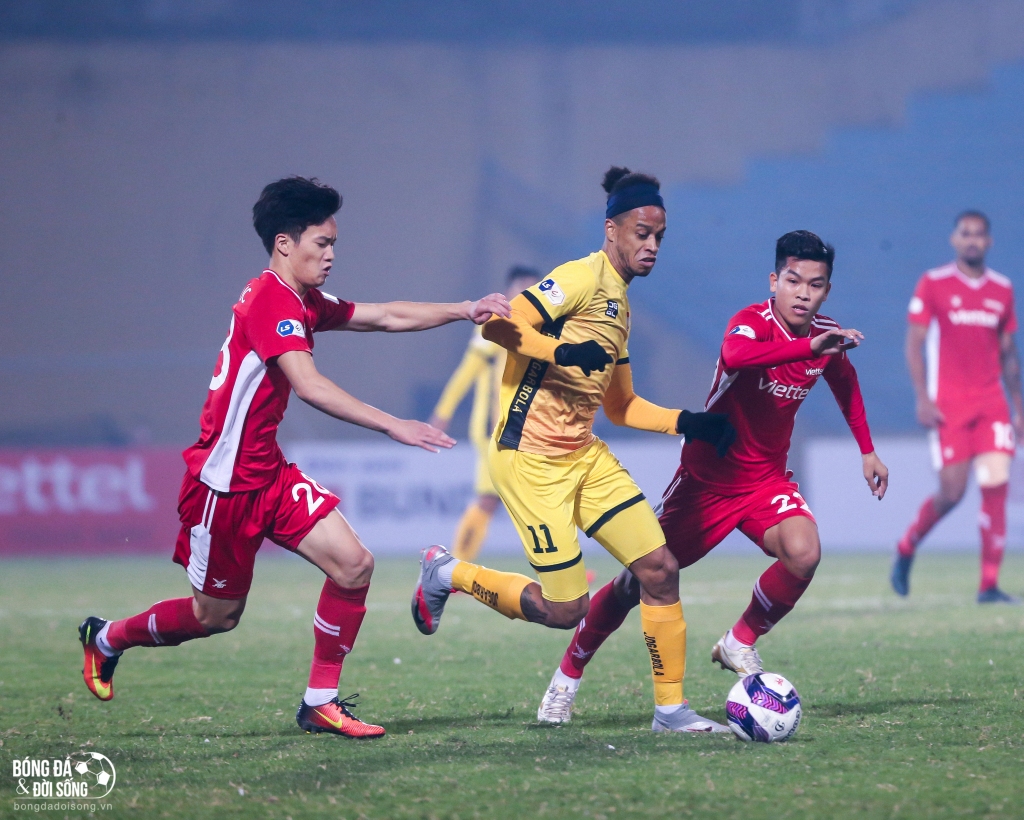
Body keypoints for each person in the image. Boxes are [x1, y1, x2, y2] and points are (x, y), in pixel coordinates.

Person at [78, 176, 510, 738]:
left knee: (354, 565)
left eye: (333, 244)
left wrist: (466, 308)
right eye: (321, 243)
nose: (331, 255)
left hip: (269, 475)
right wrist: (393, 424)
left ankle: (320, 702)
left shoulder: (300, 299)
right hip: (224, 487)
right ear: (285, 243)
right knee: (216, 617)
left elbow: (383, 315)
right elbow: (309, 385)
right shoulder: (271, 301)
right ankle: (107, 637)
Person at [409, 167, 736, 733]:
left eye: (660, 236)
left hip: (583, 456)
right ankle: (448, 571)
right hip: (529, 460)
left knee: (660, 569)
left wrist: (688, 422)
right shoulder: (579, 278)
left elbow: (621, 407)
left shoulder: (621, 308)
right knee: (567, 610)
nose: (652, 245)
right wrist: (562, 352)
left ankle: (671, 711)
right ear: (612, 229)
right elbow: (498, 326)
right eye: (641, 233)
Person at [537, 230, 889, 724]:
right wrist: (809, 348)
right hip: (705, 485)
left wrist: (867, 450)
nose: (803, 293)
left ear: (827, 291)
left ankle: (738, 641)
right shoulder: (751, 323)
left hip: (765, 482)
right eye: (793, 281)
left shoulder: (825, 336)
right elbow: (739, 357)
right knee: (635, 584)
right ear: (774, 282)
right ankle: (565, 680)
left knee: (805, 552)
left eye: (815, 285)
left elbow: (845, 382)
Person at [892, 211, 1023, 603]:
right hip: (949, 404)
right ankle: (908, 544)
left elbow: (1009, 353)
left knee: (996, 483)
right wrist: (922, 397)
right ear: (954, 239)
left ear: (989, 241)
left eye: (979, 234)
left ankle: (988, 584)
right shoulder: (934, 283)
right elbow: (914, 343)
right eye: (966, 233)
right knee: (952, 492)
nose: (972, 240)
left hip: (992, 403)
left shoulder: (1002, 289)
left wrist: (1018, 406)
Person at [428, 266, 540, 562]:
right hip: (496, 428)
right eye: (524, 286)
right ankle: (454, 569)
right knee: (494, 499)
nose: (529, 292)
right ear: (510, 289)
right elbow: (468, 370)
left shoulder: (539, 326)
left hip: (527, 427)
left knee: (532, 497)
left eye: (534, 287)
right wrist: (443, 411)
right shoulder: (495, 322)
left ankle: (561, 569)